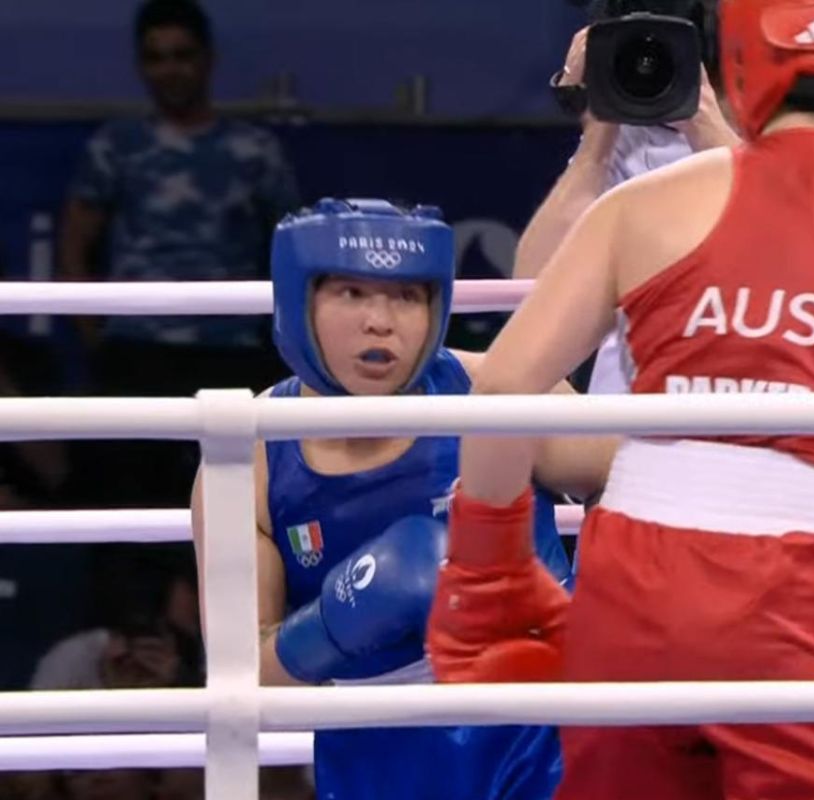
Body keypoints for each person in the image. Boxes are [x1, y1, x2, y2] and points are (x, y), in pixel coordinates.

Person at [428, 0, 814, 797]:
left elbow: (507, 387)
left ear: (733, 70)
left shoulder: (639, 208)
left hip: (629, 570)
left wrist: (489, 575)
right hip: (799, 580)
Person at [190, 198, 616, 799]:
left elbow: (629, 485)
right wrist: (340, 619)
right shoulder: (252, 459)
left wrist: (586, 618)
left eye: (406, 296)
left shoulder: (498, 394)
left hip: (547, 734)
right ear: (298, 301)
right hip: (377, 752)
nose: (381, 322)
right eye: (352, 294)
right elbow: (243, 678)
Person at [520, 10, 814, 394]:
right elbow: (527, 290)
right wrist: (597, 133)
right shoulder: (631, 132)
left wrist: (705, 126)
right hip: (630, 426)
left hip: (789, 419)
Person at [59, 0, 300, 507]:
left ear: (207, 59)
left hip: (232, 353)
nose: (170, 69)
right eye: (155, 57)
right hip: (134, 353)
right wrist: (97, 340)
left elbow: (291, 251)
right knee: (125, 510)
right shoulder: (116, 146)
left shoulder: (254, 151)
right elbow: (74, 246)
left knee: (237, 505)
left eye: (181, 54)